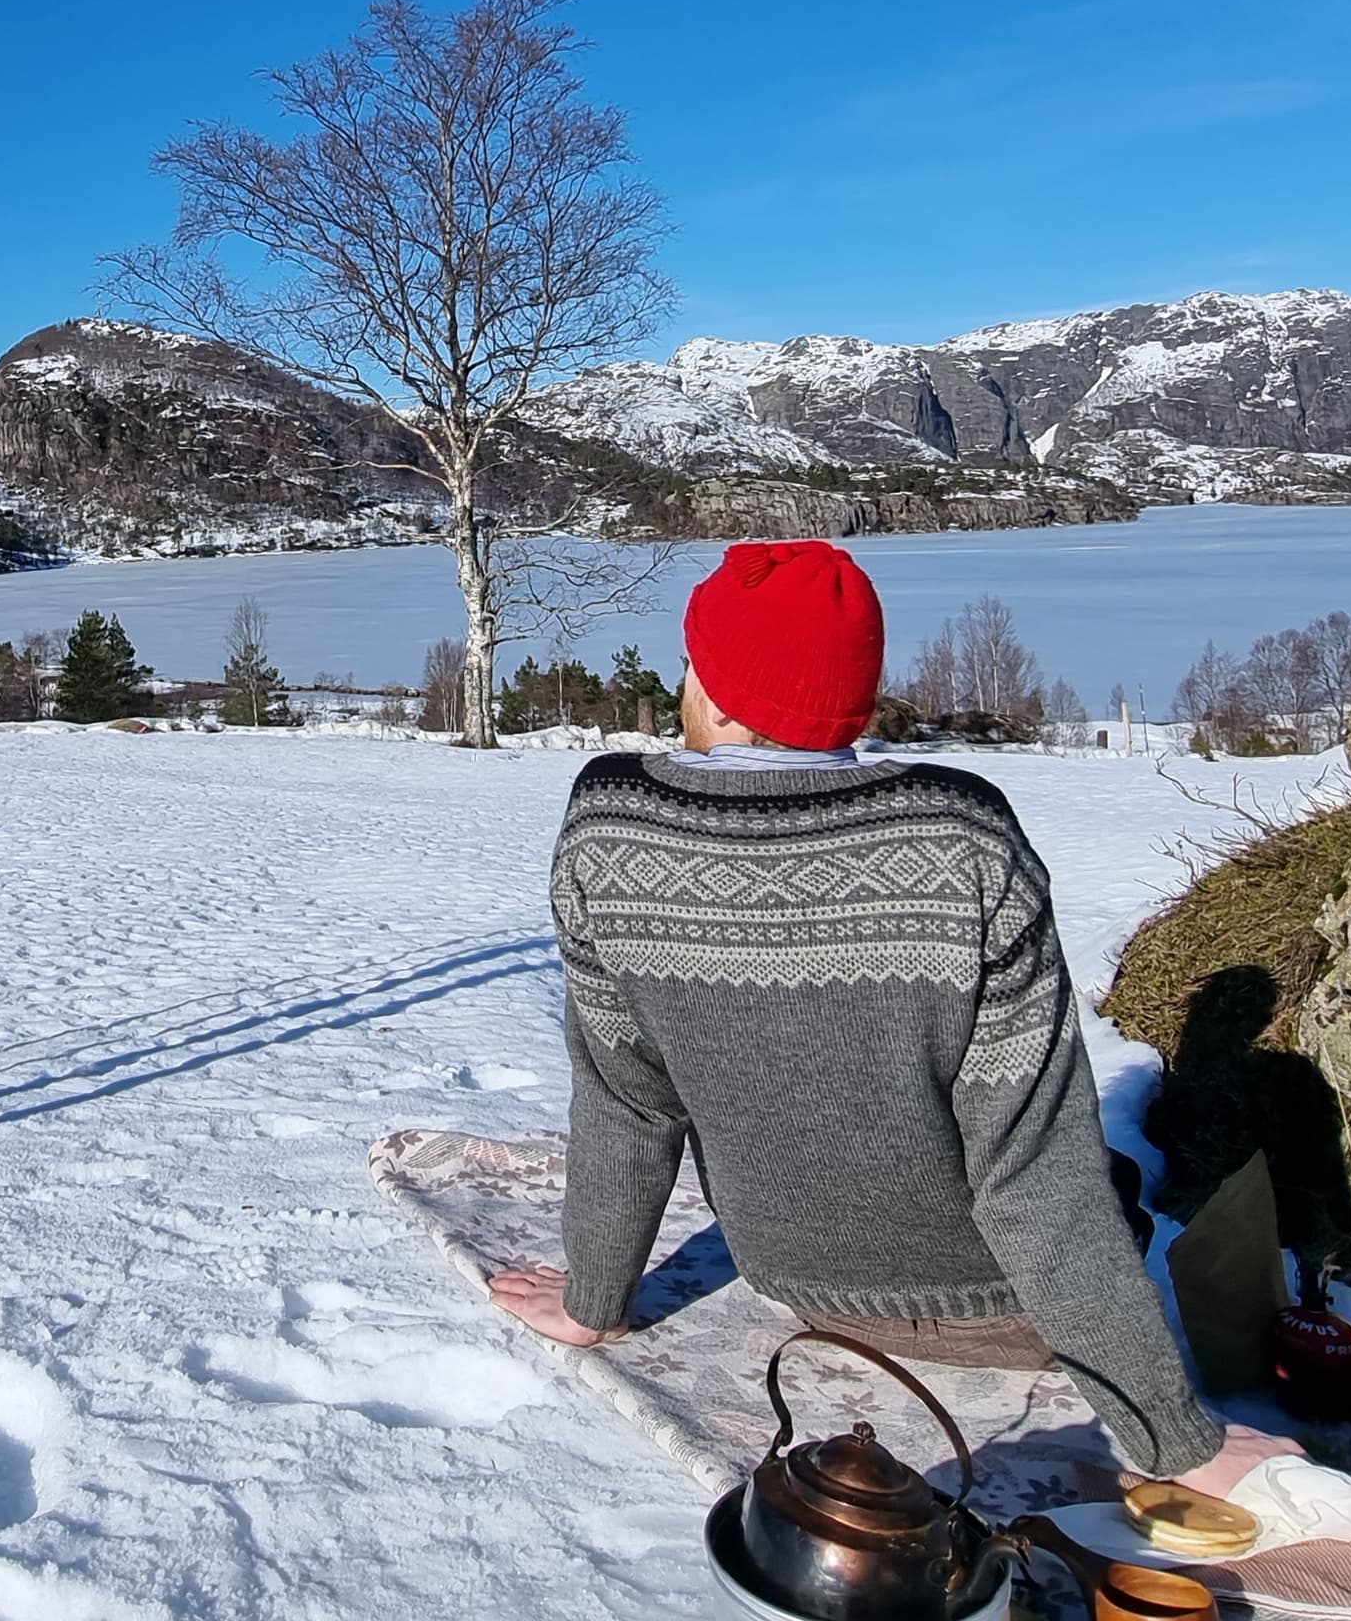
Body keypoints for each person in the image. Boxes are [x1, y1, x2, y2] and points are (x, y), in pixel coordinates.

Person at [486, 539, 1255, 1489]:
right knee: (1114, 1174)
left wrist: (595, 1302)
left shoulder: (609, 828)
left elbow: (626, 1101)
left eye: (692, 663)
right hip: (1018, 1320)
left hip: (800, 1292)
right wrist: (1173, 1439)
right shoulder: (962, 837)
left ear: (719, 694)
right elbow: (1035, 1161)